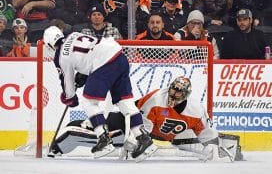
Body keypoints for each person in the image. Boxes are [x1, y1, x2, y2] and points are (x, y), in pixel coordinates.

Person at [48, 76, 242, 161]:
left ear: (186, 94)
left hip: (161, 134)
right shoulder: (157, 99)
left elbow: (207, 134)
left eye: (179, 92)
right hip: (128, 122)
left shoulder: (196, 111)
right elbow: (139, 129)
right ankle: (61, 142)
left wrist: (225, 148)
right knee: (109, 138)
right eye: (173, 89)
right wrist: (132, 144)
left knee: (206, 149)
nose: (173, 94)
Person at [43, 26, 157, 162]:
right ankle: (143, 138)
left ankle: (104, 139)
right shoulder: (74, 34)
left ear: (49, 44)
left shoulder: (60, 56)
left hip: (104, 64)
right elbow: (88, 53)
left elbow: (67, 83)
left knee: (88, 102)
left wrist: (69, 98)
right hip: (119, 56)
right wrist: (84, 74)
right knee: (124, 101)